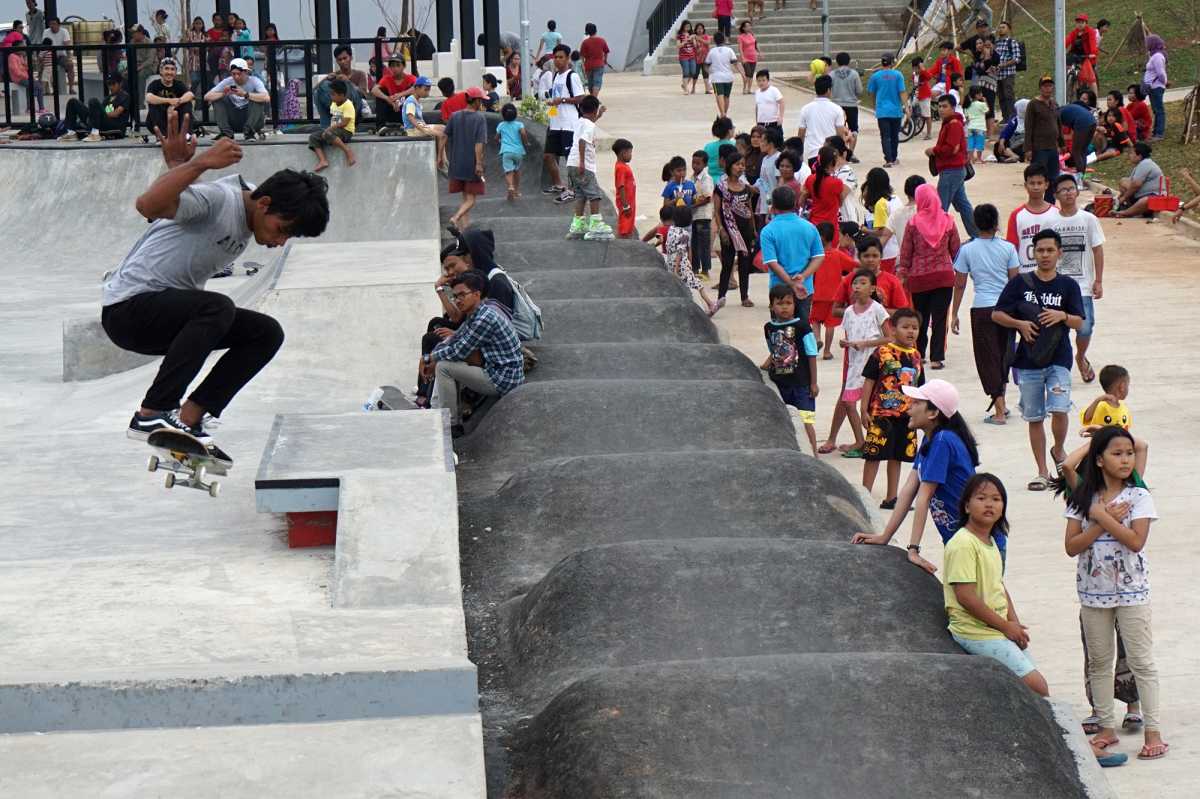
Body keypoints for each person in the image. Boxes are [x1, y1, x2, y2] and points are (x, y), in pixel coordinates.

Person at [101, 111, 328, 457]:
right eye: (283, 230)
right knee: (217, 306)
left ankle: (189, 418)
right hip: (128, 310)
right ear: (264, 204)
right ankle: (152, 413)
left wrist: (177, 166)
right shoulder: (219, 200)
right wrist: (200, 162)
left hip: (166, 317)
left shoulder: (257, 200)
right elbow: (146, 205)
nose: (280, 242)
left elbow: (176, 207)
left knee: (265, 333)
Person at [1061, 426, 1167, 761]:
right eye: (1117, 453)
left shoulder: (1139, 496)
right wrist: (1098, 518)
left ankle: (1153, 731)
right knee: (1100, 662)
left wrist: (1100, 517)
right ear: (1100, 460)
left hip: (1133, 593)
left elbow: (1136, 541)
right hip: (1093, 593)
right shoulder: (1083, 498)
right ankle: (1106, 727)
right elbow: (1071, 546)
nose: (1125, 459)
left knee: (1141, 663)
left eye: (1129, 453)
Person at [852, 379, 985, 576]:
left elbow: (923, 497)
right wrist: (885, 536)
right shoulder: (931, 439)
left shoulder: (942, 442)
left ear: (933, 413)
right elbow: (908, 490)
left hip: (975, 542)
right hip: (960, 539)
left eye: (916, 403)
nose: (908, 407)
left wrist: (913, 549)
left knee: (981, 598)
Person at [944, 474, 1053, 697]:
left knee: (1034, 680)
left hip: (993, 627)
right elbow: (966, 596)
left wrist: (1014, 622)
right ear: (966, 505)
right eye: (981, 498)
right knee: (1038, 687)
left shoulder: (990, 541)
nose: (989, 504)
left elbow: (998, 585)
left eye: (996, 499)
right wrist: (1005, 627)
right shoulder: (963, 543)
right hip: (974, 631)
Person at [991, 229, 1084, 491]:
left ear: (1059, 253)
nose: (1045, 255)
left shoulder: (1068, 286)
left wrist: (1062, 316)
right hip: (1029, 361)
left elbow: (1080, 322)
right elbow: (997, 314)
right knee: (1034, 417)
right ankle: (1042, 471)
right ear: (1033, 253)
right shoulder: (1020, 283)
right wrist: (1019, 323)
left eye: (1050, 250)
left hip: (1059, 358)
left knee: (1060, 409)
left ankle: (1058, 449)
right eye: (1040, 250)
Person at [423, 272, 524, 437]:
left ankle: (450, 425)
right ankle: (438, 412)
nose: (457, 300)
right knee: (445, 362)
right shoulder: (477, 313)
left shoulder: (484, 319)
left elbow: (460, 350)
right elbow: (456, 337)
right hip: (494, 371)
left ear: (476, 294)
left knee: (443, 367)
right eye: (455, 296)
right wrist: (429, 357)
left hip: (502, 379)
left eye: (462, 295)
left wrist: (431, 358)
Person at [951, 204, 1018, 424]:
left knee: (987, 358)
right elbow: (1014, 282)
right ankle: (1003, 404)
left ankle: (999, 411)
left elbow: (959, 284)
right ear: (996, 223)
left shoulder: (967, 250)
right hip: (1006, 309)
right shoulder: (1008, 248)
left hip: (982, 309)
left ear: (975, 223)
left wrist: (954, 313)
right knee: (1003, 355)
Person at [860, 307, 923, 505]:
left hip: (906, 416)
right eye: (905, 327)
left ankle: (891, 497)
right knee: (874, 455)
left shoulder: (916, 356)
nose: (910, 331)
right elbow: (869, 380)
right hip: (881, 414)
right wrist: (863, 409)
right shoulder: (882, 352)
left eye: (914, 327)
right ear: (893, 329)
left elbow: (919, 388)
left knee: (897, 457)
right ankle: (865, 497)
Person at [898, 183, 960, 370]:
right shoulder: (948, 220)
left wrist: (903, 273)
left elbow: (906, 252)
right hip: (943, 277)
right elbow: (956, 250)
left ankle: (919, 353)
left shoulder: (913, 223)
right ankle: (936, 358)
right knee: (940, 318)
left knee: (920, 318)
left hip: (919, 278)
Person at [1050, 173, 1105, 383]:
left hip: (1082, 285)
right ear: (1056, 195)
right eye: (1063, 190)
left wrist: (1098, 280)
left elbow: (1097, 250)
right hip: (1057, 285)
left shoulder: (1089, 219)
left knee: (1086, 326)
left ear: (1077, 191)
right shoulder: (1051, 221)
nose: (1068, 193)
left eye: (1071, 188)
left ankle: (1080, 357)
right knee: (1057, 329)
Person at [833, 268, 891, 459]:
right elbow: (850, 336)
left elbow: (889, 338)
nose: (857, 286)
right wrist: (846, 343)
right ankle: (860, 440)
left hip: (872, 365)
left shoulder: (877, 309)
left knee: (869, 406)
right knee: (849, 403)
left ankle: (872, 441)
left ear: (873, 288)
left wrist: (866, 344)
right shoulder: (848, 312)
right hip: (854, 364)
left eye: (862, 283)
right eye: (855, 283)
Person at [763, 283, 821, 455]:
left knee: (806, 420)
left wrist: (813, 383)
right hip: (780, 383)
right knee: (786, 420)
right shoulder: (769, 328)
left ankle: (814, 455)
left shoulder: (803, 327)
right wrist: (766, 365)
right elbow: (773, 350)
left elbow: (811, 354)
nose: (784, 307)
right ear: (772, 307)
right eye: (780, 304)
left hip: (801, 384)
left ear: (794, 305)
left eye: (788, 303)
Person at [925, 94, 978, 238]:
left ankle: (937, 240)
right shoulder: (950, 123)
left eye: (945, 106)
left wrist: (933, 151)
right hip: (954, 171)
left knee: (940, 207)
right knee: (963, 206)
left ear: (953, 108)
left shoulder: (953, 124)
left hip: (951, 171)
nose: (941, 109)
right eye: (939, 106)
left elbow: (952, 148)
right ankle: (977, 236)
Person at [713, 153, 761, 307]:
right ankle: (721, 297)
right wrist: (721, 230)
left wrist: (753, 230)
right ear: (729, 166)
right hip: (729, 231)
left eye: (742, 165)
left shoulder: (746, 188)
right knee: (727, 264)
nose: (741, 167)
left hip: (745, 231)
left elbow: (749, 210)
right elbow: (717, 211)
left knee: (744, 264)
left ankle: (744, 297)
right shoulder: (721, 188)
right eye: (737, 164)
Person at [565, 95, 613, 242]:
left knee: (580, 195)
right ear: (594, 109)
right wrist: (582, 163)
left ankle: (578, 225)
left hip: (571, 164)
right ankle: (595, 224)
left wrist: (599, 115)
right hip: (583, 165)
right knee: (594, 194)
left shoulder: (581, 122)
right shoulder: (589, 126)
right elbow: (582, 141)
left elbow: (590, 123)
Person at [543, 45, 586, 203]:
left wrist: (562, 100)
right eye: (556, 57)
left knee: (570, 159)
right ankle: (558, 184)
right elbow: (556, 97)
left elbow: (581, 98)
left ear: (568, 58)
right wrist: (552, 107)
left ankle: (572, 190)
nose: (558, 60)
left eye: (561, 57)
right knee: (548, 155)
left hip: (569, 124)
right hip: (556, 123)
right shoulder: (556, 76)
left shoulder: (572, 76)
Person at [442, 86, 489, 231]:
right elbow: (479, 144)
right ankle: (455, 218)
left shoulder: (454, 116)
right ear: (475, 101)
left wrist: (439, 156)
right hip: (471, 164)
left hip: (456, 164)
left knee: (465, 198)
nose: (481, 103)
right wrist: (479, 164)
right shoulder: (479, 118)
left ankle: (464, 231)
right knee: (471, 200)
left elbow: (444, 136)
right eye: (480, 100)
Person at [810, 222, 855, 359]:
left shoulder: (815, 256)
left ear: (820, 238)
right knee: (830, 324)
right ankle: (827, 352)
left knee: (815, 320)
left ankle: (817, 339)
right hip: (834, 296)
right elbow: (854, 265)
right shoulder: (838, 254)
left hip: (818, 295)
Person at [666, 205, 720, 315]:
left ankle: (709, 304)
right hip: (681, 264)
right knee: (696, 284)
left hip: (671, 260)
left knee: (688, 285)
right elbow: (681, 251)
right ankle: (709, 305)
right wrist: (677, 269)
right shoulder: (684, 234)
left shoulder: (671, 229)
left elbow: (669, 246)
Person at [1005, 163, 1058, 273]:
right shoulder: (1016, 215)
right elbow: (1011, 250)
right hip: (1025, 276)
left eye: (1039, 183)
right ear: (1025, 185)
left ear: (1046, 185)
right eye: (1032, 183)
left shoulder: (1057, 213)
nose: (1036, 187)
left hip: (1052, 275)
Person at [203, 58, 269, 140]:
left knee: (258, 98)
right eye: (233, 74)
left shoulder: (255, 81)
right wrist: (223, 93)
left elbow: (266, 98)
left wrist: (245, 94)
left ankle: (249, 132)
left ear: (246, 72)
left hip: (251, 119)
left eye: (239, 74)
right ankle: (226, 133)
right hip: (234, 118)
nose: (236, 77)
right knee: (217, 99)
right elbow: (207, 97)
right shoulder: (228, 81)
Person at [1024, 77, 1062, 202]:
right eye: (1045, 86)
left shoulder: (1054, 104)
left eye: (1050, 86)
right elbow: (1028, 127)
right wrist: (1028, 148)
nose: (1048, 89)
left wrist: (1061, 143)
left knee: (1053, 178)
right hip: (1039, 148)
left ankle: (1050, 204)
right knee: (1037, 178)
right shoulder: (1033, 104)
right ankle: (1036, 202)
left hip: (1052, 147)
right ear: (1040, 88)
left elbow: (1058, 124)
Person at [796, 75, 848, 166]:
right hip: (831, 154)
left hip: (813, 154)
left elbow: (801, 135)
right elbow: (840, 135)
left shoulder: (806, 109)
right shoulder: (837, 109)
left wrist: (799, 154)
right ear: (828, 90)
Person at [867, 53, 907, 167]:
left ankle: (888, 160)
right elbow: (902, 92)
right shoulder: (898, 75)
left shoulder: (875, 76)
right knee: (895, 136)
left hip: (882, 111)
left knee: (885, 136)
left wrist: (874, 105)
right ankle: (894, 158)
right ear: (892, 62)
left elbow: (871, 93)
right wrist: (907, 107)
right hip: (896, 111)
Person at [61, 73, 129, 141]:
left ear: (120, 83)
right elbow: (100, 111)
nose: (111, 87)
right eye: (109, 84)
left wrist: (97, 115)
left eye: (113, 84)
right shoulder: (107, 98)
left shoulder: (124, 96)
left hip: (115, 125)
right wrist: (94, 116)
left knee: (93, 101)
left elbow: (116, 114)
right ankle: (71, 133)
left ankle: (95, 134)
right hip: (101, 122)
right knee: (73, 102)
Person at [308, 79, 356, 172]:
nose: (331, 96)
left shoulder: (348, 105)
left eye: (333, 94)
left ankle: (347, 151)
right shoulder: (333, 104)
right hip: (334, 130)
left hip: (346, 131)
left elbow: (344, 123)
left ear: (341, 95)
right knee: (313, 137)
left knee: (327, 134)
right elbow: (334, 119)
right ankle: (323, 160)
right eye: (330, 94)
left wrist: (329, 129)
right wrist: (328, 129)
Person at [315, 45, 368, 128]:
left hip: (354, 110)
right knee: (319, 91)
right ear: (337, 61)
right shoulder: (335, 75)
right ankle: (326, 126)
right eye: (340, 60)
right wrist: (326, 78)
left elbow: (363, 94)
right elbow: (316, 90)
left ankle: (337, 121)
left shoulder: (360, 74)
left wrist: (348, 81)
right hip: (338, 108)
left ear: (351, 58)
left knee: (344, 85)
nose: (343, 61)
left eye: (345, 58)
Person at [862, 168, 903, 272]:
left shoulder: (880, 204)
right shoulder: (896, 199)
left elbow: (882, 232)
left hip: (886, 253)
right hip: (898, 249)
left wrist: (865, 230)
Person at [144, 57, 195, 139]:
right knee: (153, 104)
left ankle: (186, 134)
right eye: (166, 69)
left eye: (172, 69)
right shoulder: (155, 84)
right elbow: (148, 98)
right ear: (161, 71)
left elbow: (190, 95)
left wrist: (175, 103)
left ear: (175, 72)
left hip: (175, 120)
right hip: (159, 120)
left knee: (187, 103)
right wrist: (169, 101)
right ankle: (162, 136)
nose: (169, 72)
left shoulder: (179, 84)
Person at [882, 175, 924, 270]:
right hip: (926, 264)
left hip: (905, 264)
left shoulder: (897, 214)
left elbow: (884, 238)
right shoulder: (928, 211)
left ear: (906, 192)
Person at [1113, 142, 1164, 219]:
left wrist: (1123, 197)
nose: (1129, 156)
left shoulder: (1146, 164)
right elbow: (1132, 182)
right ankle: (1132, 209)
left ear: (1139, 156)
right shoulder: (1140, 165)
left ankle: (1125, 213)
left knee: (1146, 200)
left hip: (1154, 195)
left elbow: (1136, 184)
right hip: (1142, 194)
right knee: (1124, 181)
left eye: (1132, 153)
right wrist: (1120, 197)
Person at [799, 145, 844, 230]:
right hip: (831, 227)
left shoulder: (810, 179)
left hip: (814, 224)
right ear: (832, 163)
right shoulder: (837, 183)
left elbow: (801, 201)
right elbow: (840, 203)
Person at [828, 52, 862, 161]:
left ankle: (837, 152)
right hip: (851, 104)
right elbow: (859, 90)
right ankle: (850, 153)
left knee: (836, 129)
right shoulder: (854, 74)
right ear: (849, 61)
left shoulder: (832, 74)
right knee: (853, 129)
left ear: (837, 62)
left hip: (835, 105)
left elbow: (828, 89)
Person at [371, 57, 417, 133]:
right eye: (392, 66)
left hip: (404, 110)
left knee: (411, 95)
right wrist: (388, 99)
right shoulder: (387, 78)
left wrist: (400, 95)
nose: (395, 68)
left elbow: (417, 88)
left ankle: (407, 125)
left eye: (398, 65)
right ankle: (380, 127)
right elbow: (374, 90)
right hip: (391, 109)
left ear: (404, 66)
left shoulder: (411, 78)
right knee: (381, 93)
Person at [495, 102, 530, 201]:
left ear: (503, 115)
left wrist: (498, 141)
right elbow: (523, 133)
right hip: (518, 151)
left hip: (506, 152)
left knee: (508, 171)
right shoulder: (519, 124)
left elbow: (496, 137)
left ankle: (510, 186)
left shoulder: (501, 125)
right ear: (515, 114)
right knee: (517, 170)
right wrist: (526, 142)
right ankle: (517, 191)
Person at [5, 27, 44, 112]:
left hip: (24, 77)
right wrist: (27, 77)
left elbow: (26, 68)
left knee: (38, 86)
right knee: (36, 86)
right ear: (15, 48)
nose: (24, 49)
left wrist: (25, 57)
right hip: (18, 79)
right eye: (22, 47)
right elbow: (16, 71)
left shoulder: (21, 56)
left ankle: (37, 107)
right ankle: (35, 107)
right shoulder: (12, 56)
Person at [691, 149, 716, 279]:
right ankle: (695, 269)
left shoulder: (707, 179)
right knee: (694, 243)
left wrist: (692, 206)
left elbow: (707, 197)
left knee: (704, 245)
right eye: (693, 162)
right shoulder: (691, 178)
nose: (695, 165)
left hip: (703, 216)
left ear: (705, 165)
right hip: (694, 216)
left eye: (698, 163)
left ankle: (705, 270)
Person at [705, 32, 739, 118]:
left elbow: (706, 65)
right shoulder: (729, 50)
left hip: (717, 77)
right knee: (726, 97)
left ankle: (722, 113)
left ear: (714, 41)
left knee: (719, 95)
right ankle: (725, 114)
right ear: (724, 40)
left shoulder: (712, 51)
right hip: (728, 76)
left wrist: (710, 73)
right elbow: (735, 63)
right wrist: (743, 74)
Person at [993, 20, 1021, 121]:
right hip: (997, 75)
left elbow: (1017, 58)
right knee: (1001, 97)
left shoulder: (1012, 42)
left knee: (1008, 95)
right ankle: (1005, 117)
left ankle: (1012, 117)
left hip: (1008, 74)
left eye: (1003, 27)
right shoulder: (996, 43)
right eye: (999, 27)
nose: (1000, 29)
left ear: (1008, 29)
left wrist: (1003, 65)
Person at [1058, 98, 1096, 174]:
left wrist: (1061, 145)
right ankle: (1082, 175)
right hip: (1093, 121)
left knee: (1076, 151)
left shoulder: (1057, 114)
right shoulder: (1065, 109)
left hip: (1082, 122)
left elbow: (1057, 133)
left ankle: (1080, 175)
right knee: (1083, 150)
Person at [1065, 13, 1098, 98]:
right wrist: (1060, 47)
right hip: (1074, 55)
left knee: (1091, 80)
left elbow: (1093, 44)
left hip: (1086, 56)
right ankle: (1070, 87)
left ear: (1086, 23)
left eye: (1082, 22)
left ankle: (1096, 99)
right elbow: (1067, 41)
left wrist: (1092, 53)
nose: (1079, 24)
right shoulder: (1074, 32)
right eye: (1078, 22)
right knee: (1067, 68)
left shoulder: (1090, 32)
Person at [43, 16, 75, 94]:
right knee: (48, 69)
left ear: (58, 25)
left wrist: (69, 58)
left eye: (54, 24)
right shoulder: (46, 32)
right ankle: (51, 90)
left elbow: (67, 45)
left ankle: (71, 88)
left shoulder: (64, 31)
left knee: (70, 65)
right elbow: (44, 46)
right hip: (50, 56)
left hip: (61, 56)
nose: (52, 26)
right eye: (50, 24)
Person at [613, 139, 637, 239]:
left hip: (629, 201)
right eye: (630, 152)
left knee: (628, 225)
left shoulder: (623, 166)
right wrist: (625, 205)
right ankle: (623, 245)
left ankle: (626, 241)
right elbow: (621, 186)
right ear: (623, 153)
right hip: (626, 203)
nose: (631, 155)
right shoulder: (621, 168)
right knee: (625, 227)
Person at [579, 22, 609, 96]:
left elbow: (582, 56)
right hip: (599, 64)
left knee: (590, 83)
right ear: (596, 31)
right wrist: (605, 60)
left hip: (588, 65)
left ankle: (593, 98)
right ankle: (594, 98)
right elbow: (606, 51)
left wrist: (582, 66)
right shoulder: (602, 40)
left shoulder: (585, 42)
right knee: (597, 82)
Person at [703, 116, 737, 182]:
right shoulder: (734, 145)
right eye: (733, 127)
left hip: (710, 180)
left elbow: (705, 163)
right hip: (727, 181)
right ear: (729, 131)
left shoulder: (708, 146)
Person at [911, 56, 934, 141]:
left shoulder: (923, 73)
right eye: (913, 67)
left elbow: (929, 77)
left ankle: (929, 133)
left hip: (924, 96)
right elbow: (914, 84)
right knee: (909, 109)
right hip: (916, 95)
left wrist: (922, 69)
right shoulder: (914, 75)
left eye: (917, 67)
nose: (915, 69)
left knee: (927, 115)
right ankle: (909, 127)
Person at [964, 85, 988, 164]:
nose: (982, 94)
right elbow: (987, 111)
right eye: (980, 93)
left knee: (971, 143)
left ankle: (971, 158)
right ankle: (979, 158)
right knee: (979, 143)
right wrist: (985, 101)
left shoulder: (967, 105)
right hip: (980, 127)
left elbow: (967, 117)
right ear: (976, 95)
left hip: (971, 126)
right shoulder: (981, 104)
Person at [674, 21, 698, 94]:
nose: (688, 28)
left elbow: (695, 46)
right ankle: (686, 89)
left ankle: (684, 85)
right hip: (683, 57)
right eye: (686, 26)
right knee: (686, 72)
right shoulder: (680, 35)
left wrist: (693, 39)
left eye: (689, 26)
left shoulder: (692, 35)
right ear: (683, 27)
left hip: (692, 56)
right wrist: (686, 39)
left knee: (693, 72)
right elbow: (678, 46)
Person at [736, 21, 758, 96]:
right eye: (747, 26)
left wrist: (759, 52)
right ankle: (744, 88)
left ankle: (749, 89)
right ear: (743, 28)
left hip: (753, 56)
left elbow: (755, 45)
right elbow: (740, 48)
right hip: (746, 57)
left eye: (749, 26)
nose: (749, 27)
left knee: (751, 74)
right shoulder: (740, 37)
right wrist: (742, 57)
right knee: (747, 73)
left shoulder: (752, 35)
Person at [693, 23, 713, 94]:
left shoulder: (706, 36)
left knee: (706, 74)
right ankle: (693, 88)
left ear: (703, 29)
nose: (700, 30)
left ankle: (707, 89)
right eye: (698, 28)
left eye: (701, 28)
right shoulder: (694, 37)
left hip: (705, 58)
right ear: (696, 29)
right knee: (695, 74)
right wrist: (695, 40)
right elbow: (694, 46)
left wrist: (699, 39)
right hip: (697, 58)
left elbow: (708, 42)